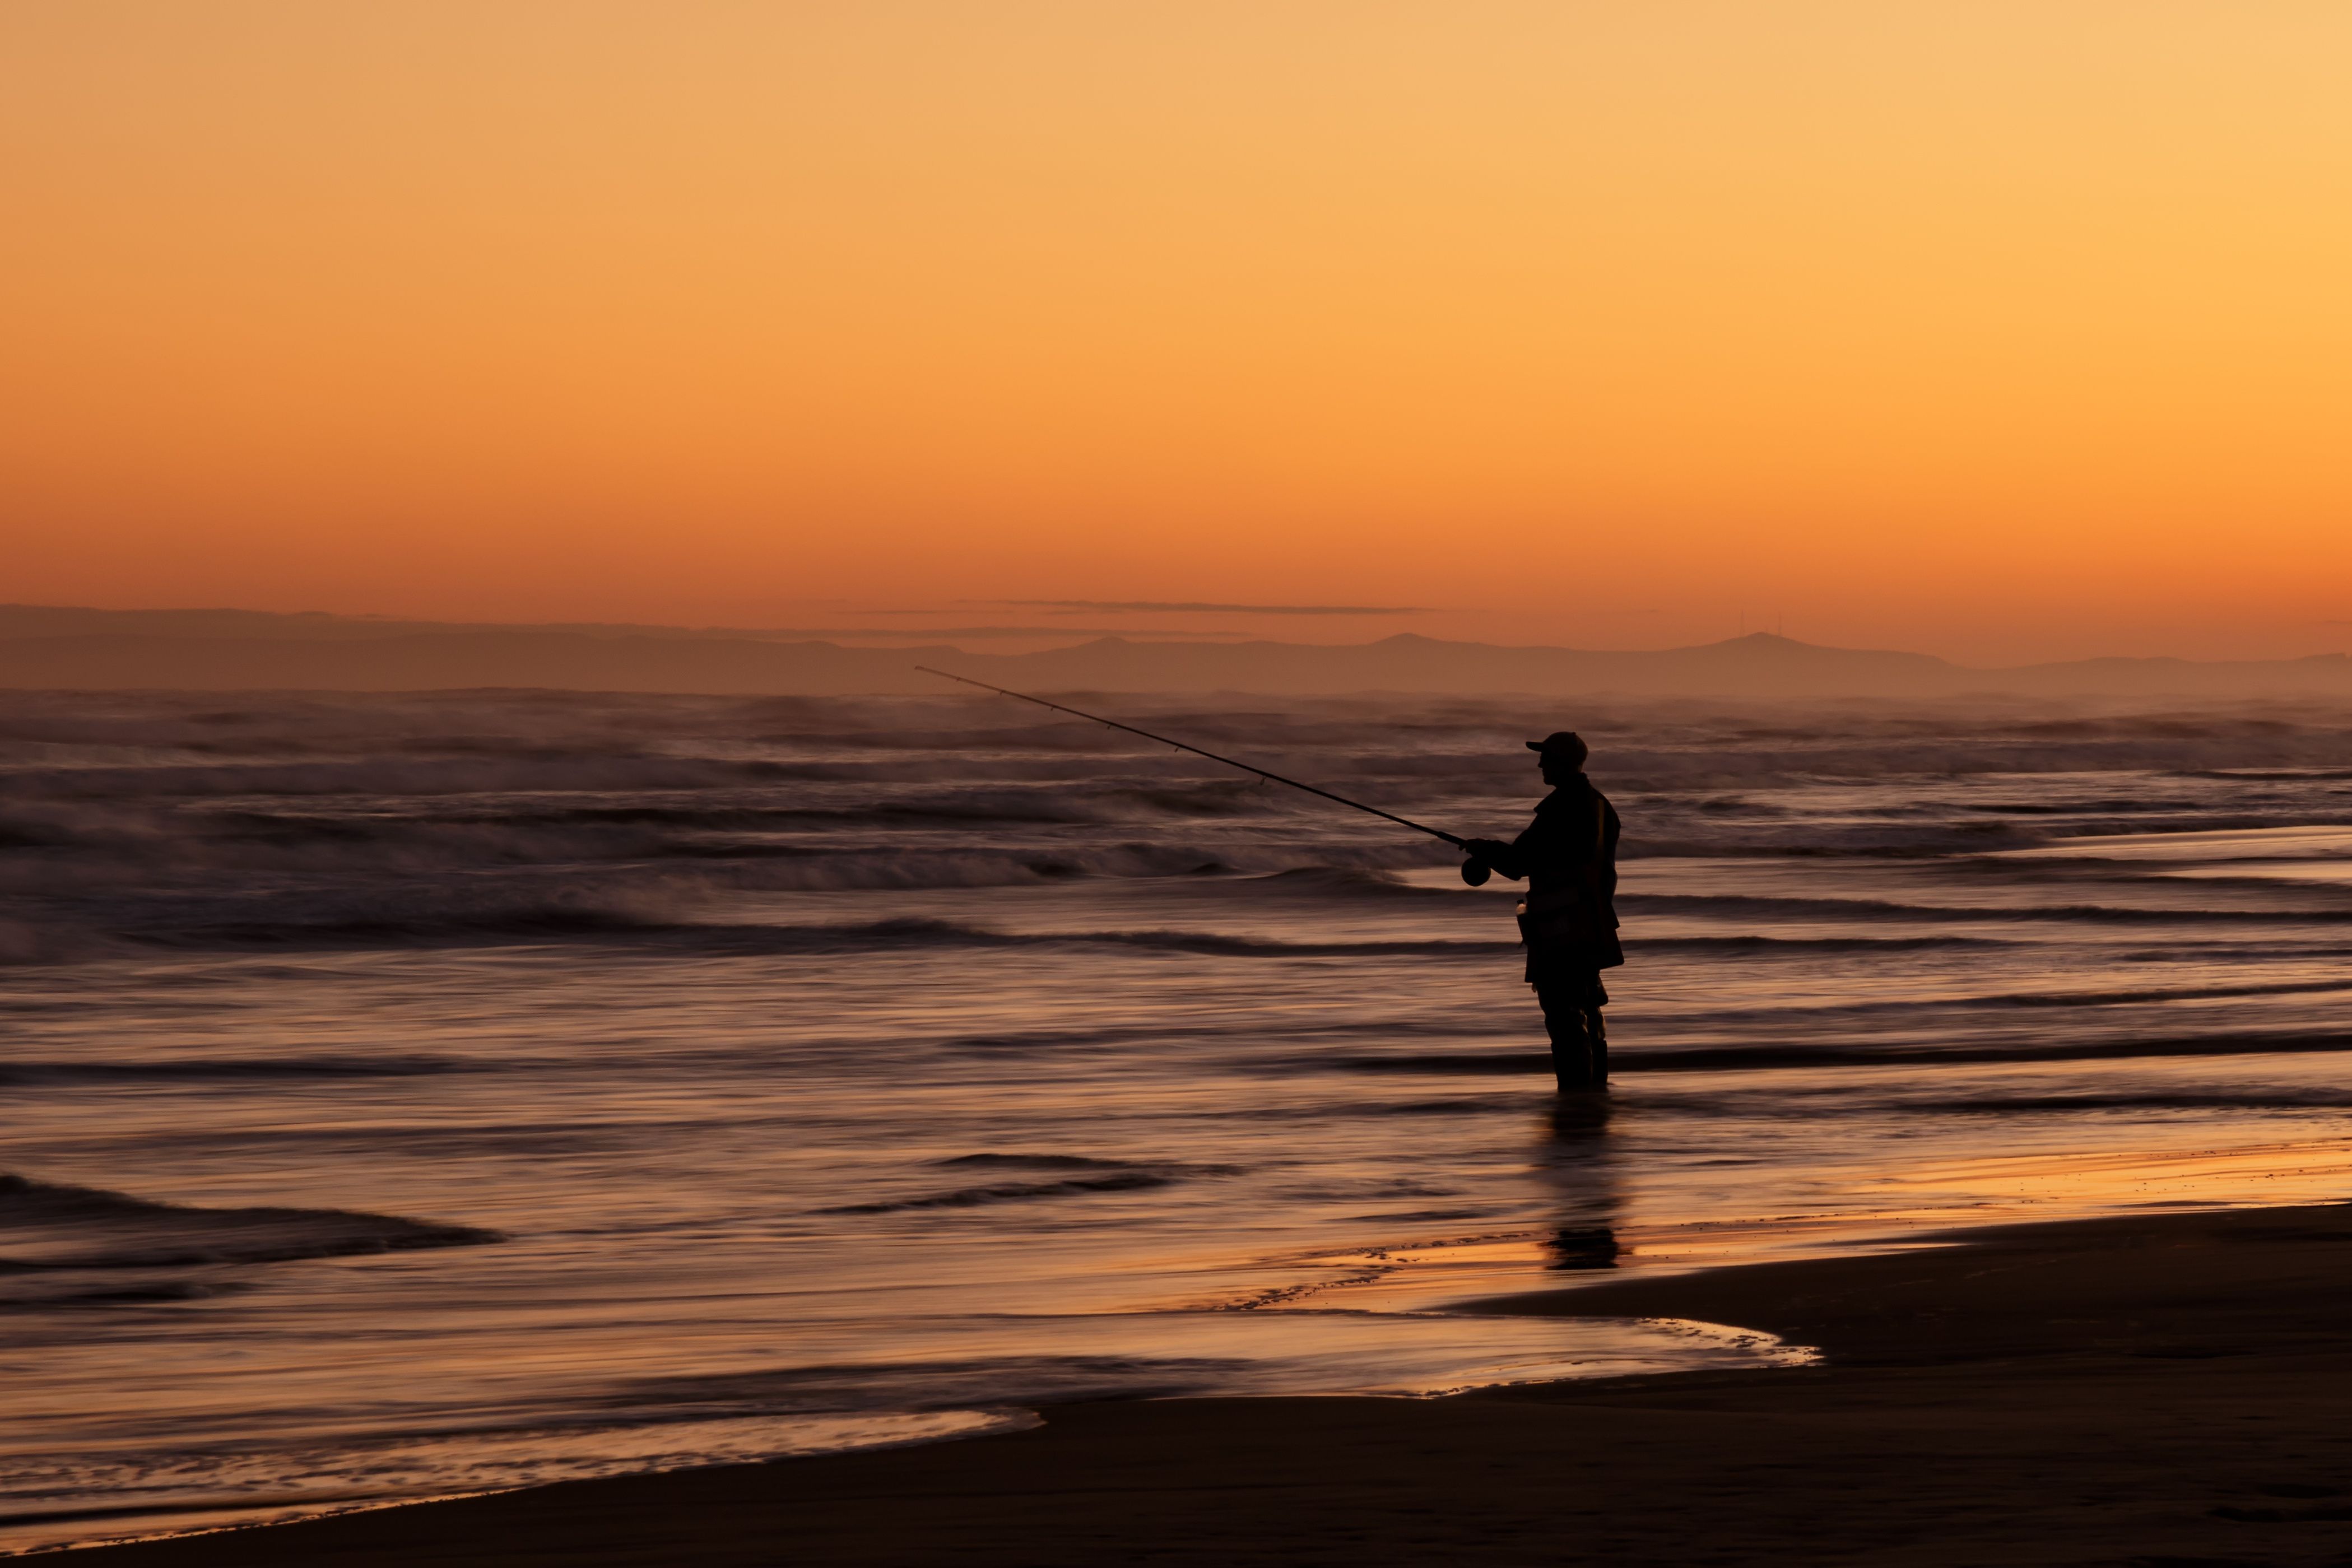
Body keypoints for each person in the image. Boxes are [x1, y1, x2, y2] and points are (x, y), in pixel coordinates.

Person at [1462, 731, 1623, 1092]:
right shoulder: (1601, 805)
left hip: (1561, 927)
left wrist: (1482, 848)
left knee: (1563, 1013)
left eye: (1546, 758)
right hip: (1593, 920)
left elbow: (1521, 862)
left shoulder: (1560, 808)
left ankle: (1575, 1099)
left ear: (1563, 764)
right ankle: (1594, 1096)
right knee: (1588, 1006)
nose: (1539, 764)